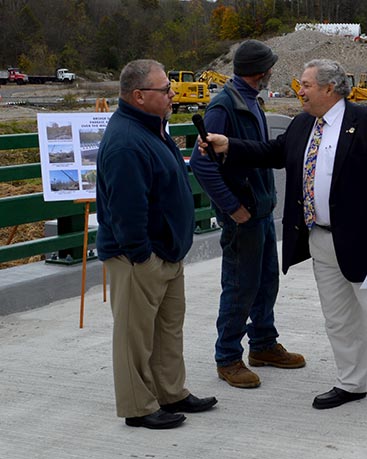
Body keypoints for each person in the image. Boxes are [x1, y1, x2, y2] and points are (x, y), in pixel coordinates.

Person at [201, 59, 367, 419]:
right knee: (338, 319)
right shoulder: (304, 124)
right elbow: (273, 153)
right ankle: (351, 382)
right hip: (321, 240)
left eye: (305, 85)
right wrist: (228, 144)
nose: (300, 90)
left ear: (329, 88)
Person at [96, 59, 217, 429]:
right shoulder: (126, 142)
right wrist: (142, 256)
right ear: (138, 96)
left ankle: (170, 392)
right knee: (134, 336)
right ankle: (138, 407)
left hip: (167, 252)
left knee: (167, 330)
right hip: (139, 259)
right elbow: (126, 209)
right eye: (165, 89)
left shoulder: (152, 128)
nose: (172, 94)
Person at [190, 40, 305, 389]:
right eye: (270, 67)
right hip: (243, 215)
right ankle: (227, 357)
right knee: (240, 286)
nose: (272, 72)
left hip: (260, 211)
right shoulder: (223, 106)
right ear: (261, 71)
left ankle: (264, 344)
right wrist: (232, 206)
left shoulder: (249, 99)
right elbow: (201, 163)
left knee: (266, 281)